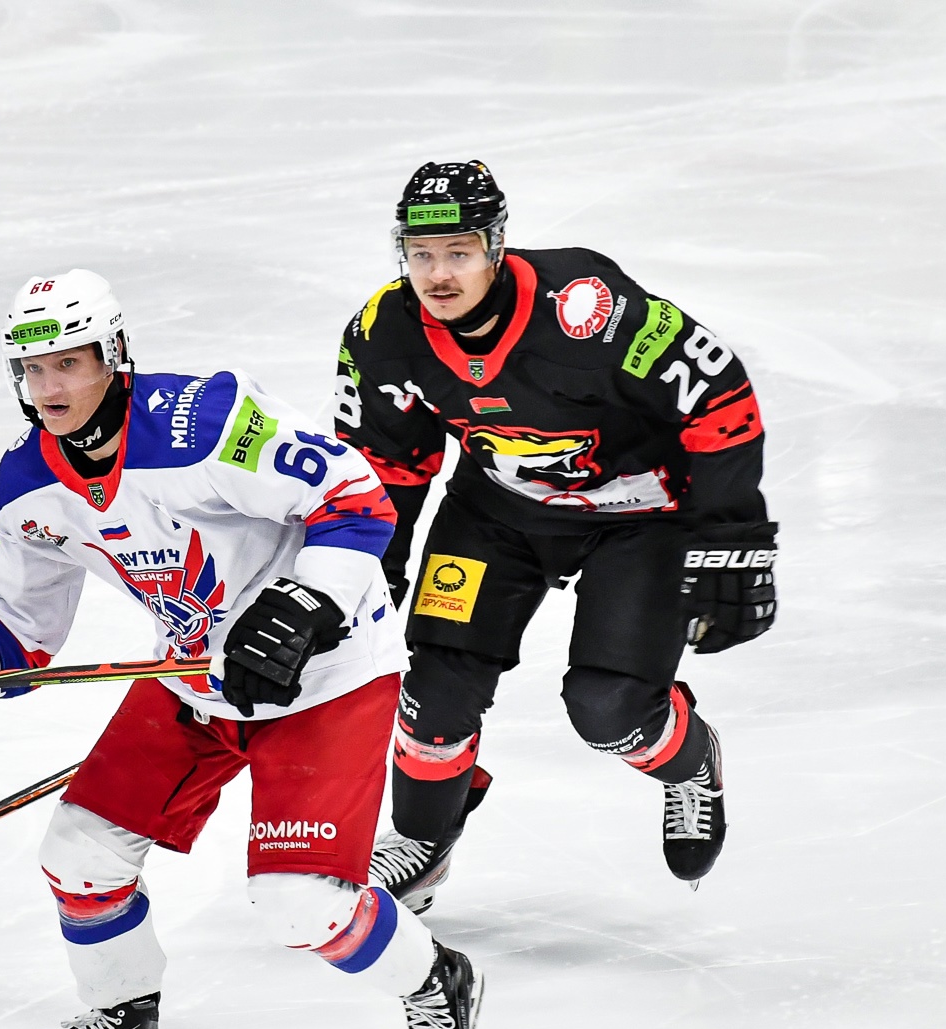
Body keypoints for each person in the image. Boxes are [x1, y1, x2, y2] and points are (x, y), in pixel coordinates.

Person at [0, 269, 484, 1029]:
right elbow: (19, 630)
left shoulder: (202, 423)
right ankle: (122, 1022)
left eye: (68, 363)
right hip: (194, 679)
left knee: (299, 904)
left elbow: (354, 496)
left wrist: (304, 604)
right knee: (80, 854)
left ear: (113, 356)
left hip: (327, 677)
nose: (49, 388)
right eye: (32, 369)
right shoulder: (24, 484)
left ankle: (434, 980)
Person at [333, 161, 777, 911]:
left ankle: (692, 762)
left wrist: (734, 537)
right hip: (498, 512)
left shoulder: (586, 310)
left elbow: (718, 397)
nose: (438, 275)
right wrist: (367, 569)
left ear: (496, 246)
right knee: (432, 696)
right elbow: (388, 462)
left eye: (459, 253)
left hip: (640, 517)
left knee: (609, 710)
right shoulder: (383, 333)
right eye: (420, 254)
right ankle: (423, 837)